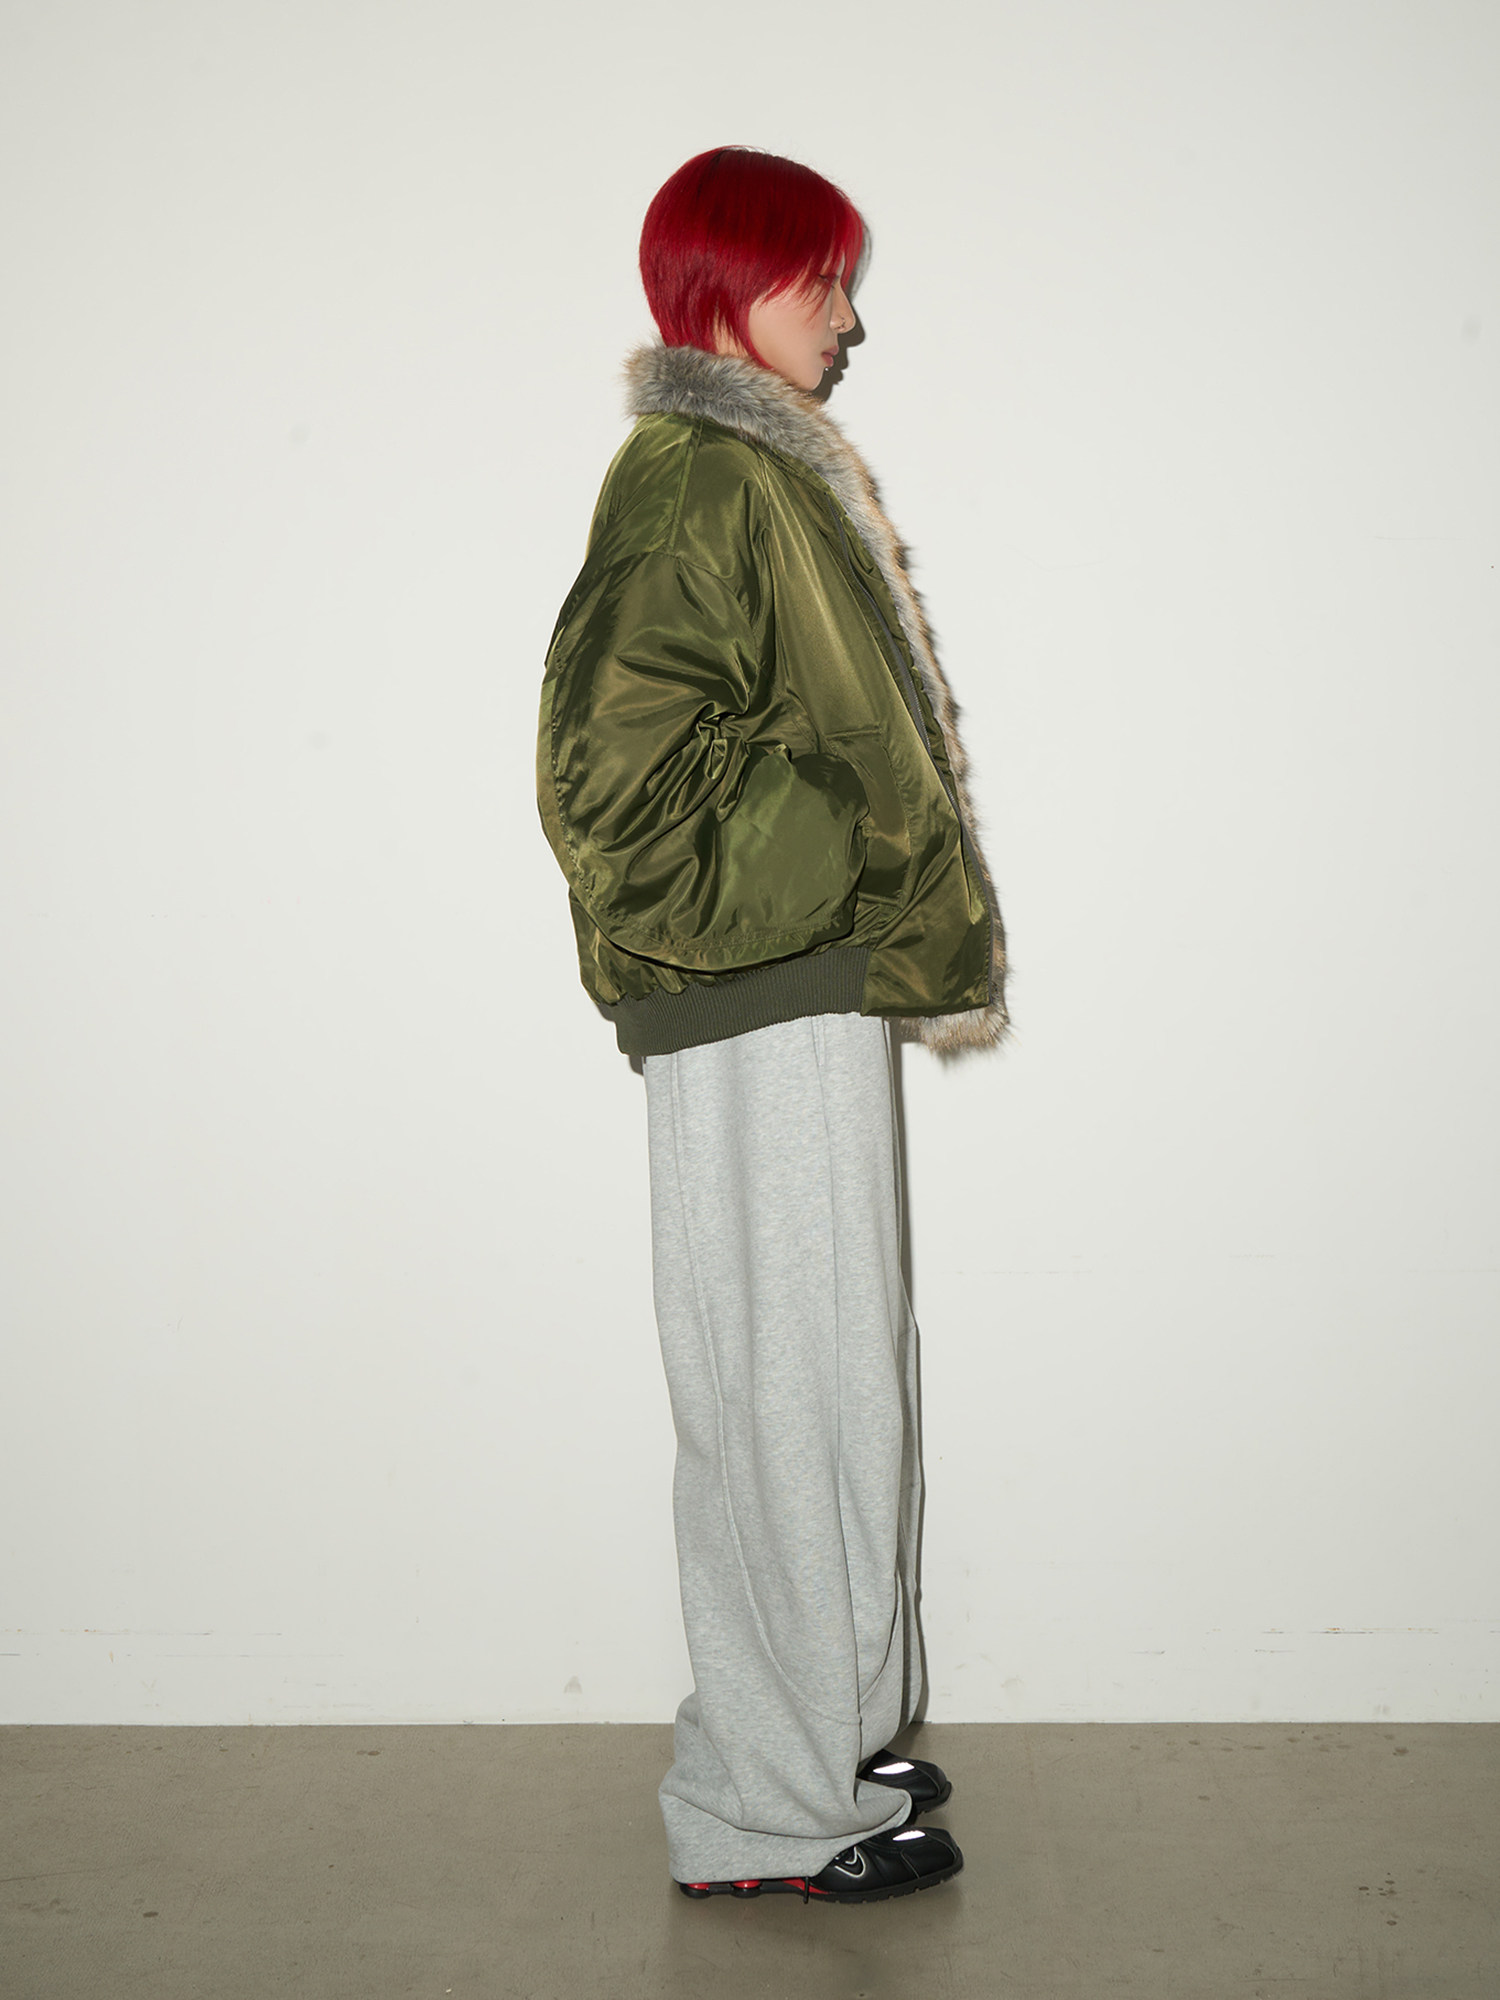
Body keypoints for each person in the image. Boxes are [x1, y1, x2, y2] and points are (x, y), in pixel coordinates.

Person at [536, 146, 1006, 1905]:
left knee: (838, 1373)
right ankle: (764, 1809)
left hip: (807, 970)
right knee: (780, 1393)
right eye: (825, 280)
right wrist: (837, 850)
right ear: (732, 281)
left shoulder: (750, 467)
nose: (851, 316)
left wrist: (853, 887)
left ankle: (830, 1733)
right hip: (758, 982)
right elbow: (608, 781)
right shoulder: (693, 475)